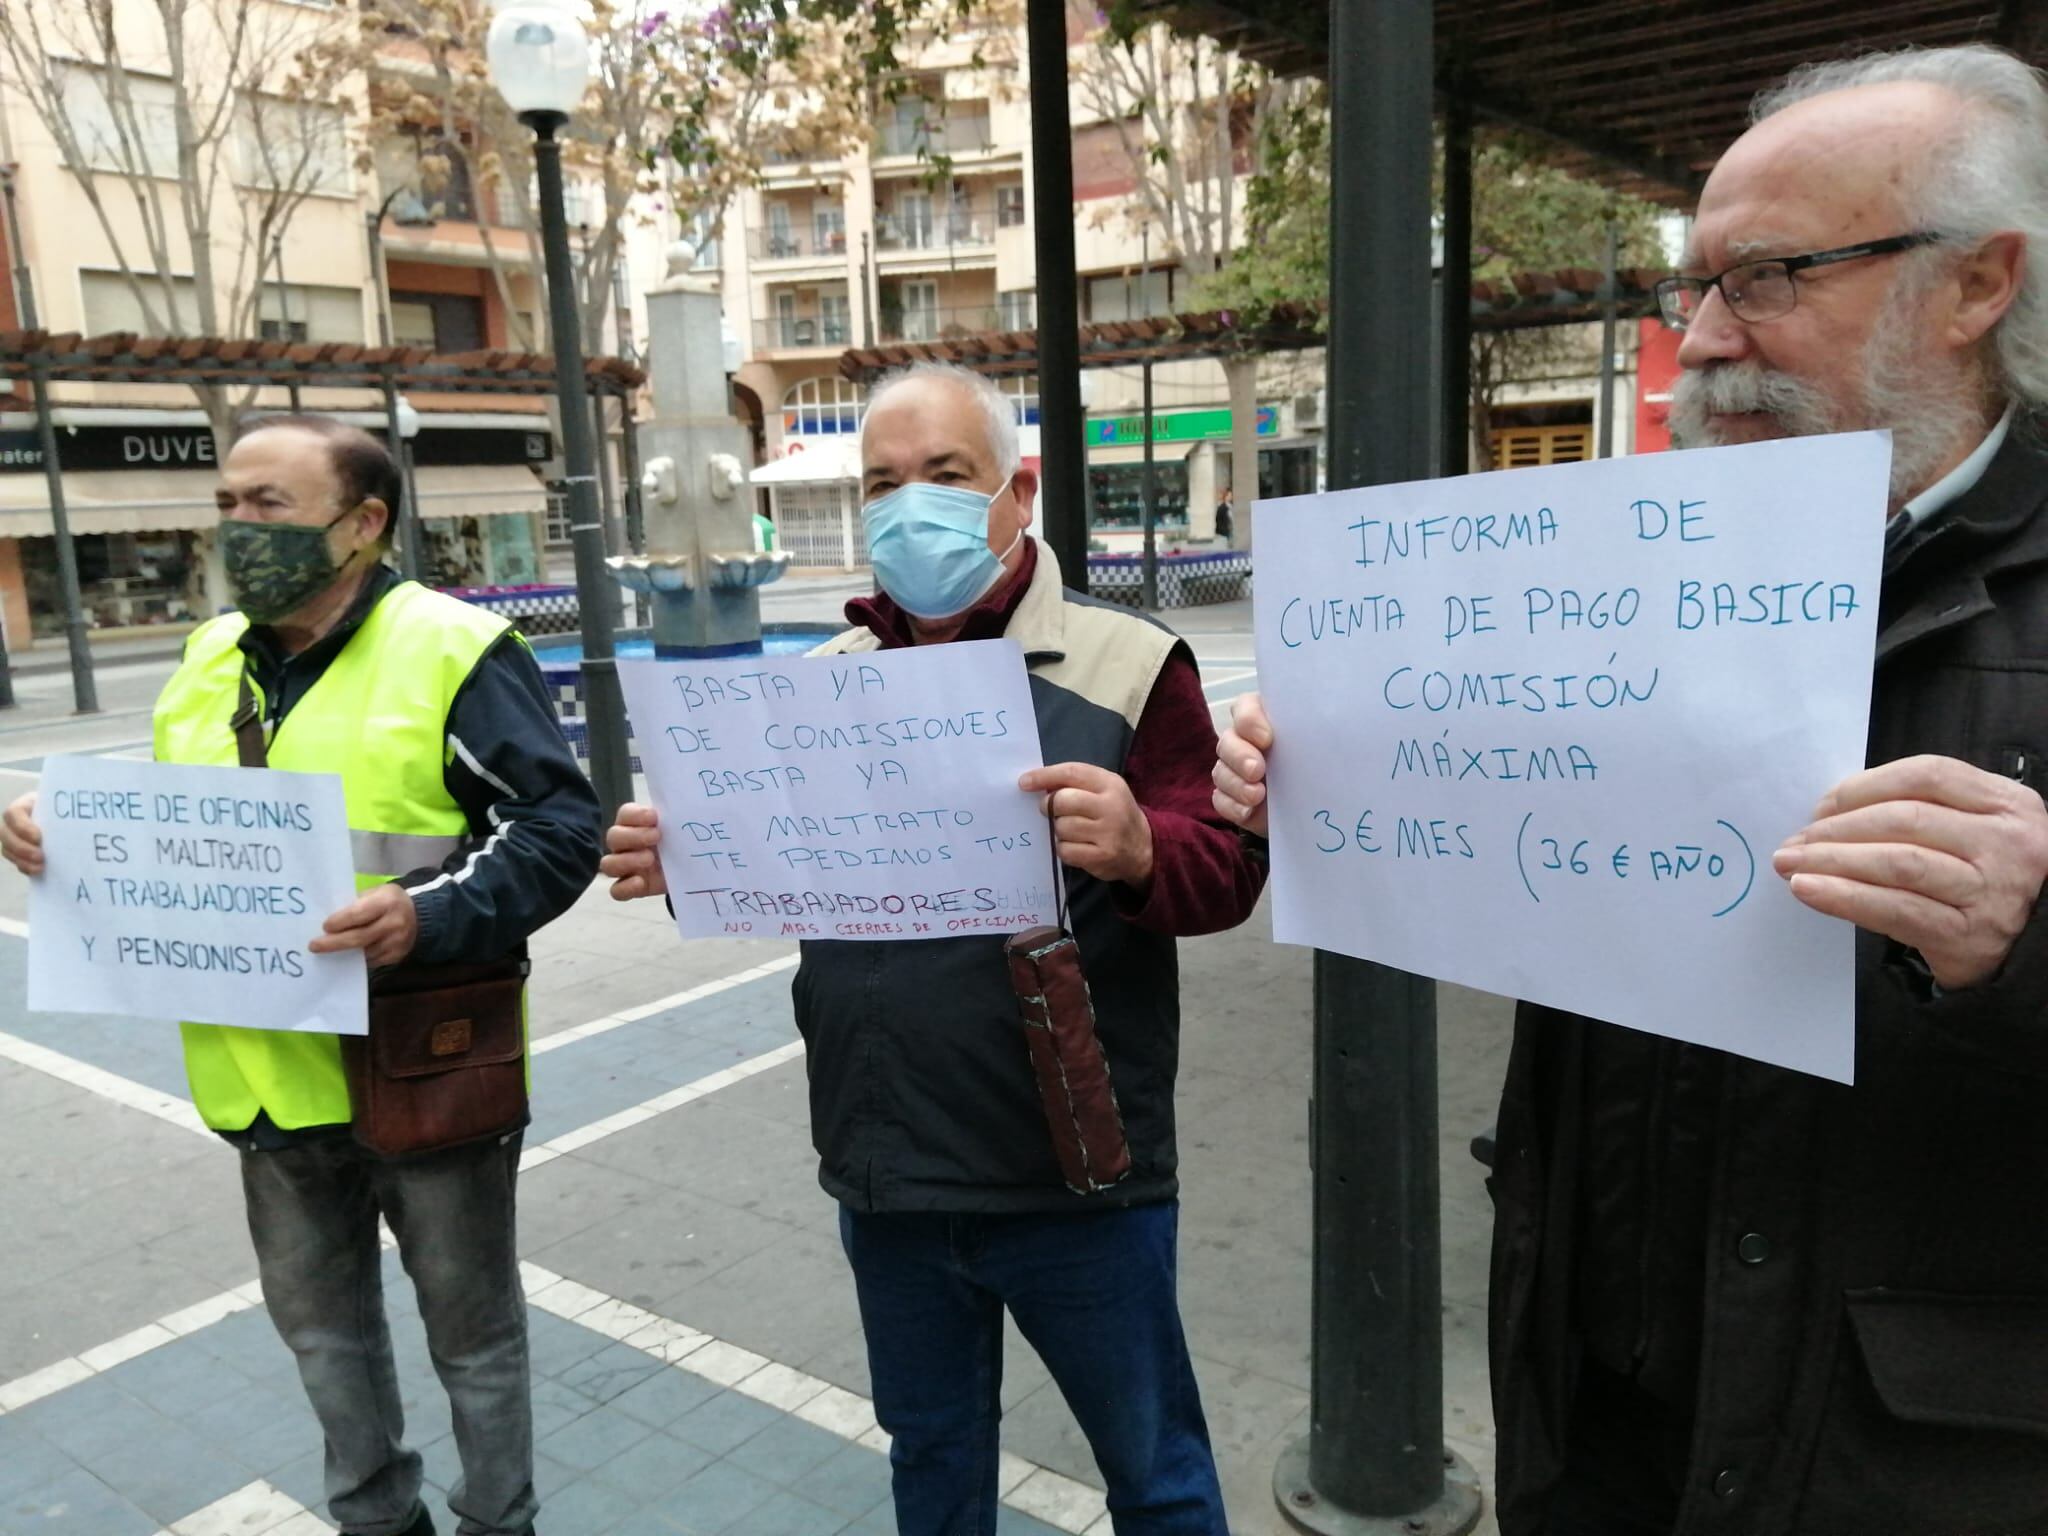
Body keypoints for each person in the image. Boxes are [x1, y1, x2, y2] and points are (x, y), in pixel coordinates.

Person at [1212, 45, 2048, 1536]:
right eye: (1699, 288)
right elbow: (1521, 856)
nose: (1709, 339)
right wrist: (1331, 781)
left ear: (1978, 285)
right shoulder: (1615, 567)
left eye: (1773, 276)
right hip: (1587, 1409)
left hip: (1901, 1462)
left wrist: (2027, 938)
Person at [602, 363, 1267, 1535]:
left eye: (944, 476)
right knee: (931, 1458)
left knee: (1154, 1476)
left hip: (1076, 1178)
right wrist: (688, 862)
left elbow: (1224, 869)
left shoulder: (1131, 664)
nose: (911, 506)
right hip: (887, 1168)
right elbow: (779, 873)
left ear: (1014, 493)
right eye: (883, 483)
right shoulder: (821, 688)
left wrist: (1139, 845)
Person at [4, 415, 602, 1536]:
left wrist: (427, 914)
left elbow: (558, 828)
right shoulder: (208, 653)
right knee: (321, 1335)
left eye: (268, 505)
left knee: (470, 1335)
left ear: (363, 523)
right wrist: (57, 828)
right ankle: (376, 1520)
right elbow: (179, 822)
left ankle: (497, 1522)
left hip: (422, 1065)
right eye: (228, 505)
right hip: (263, 1075)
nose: (238, 528)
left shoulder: (452, 648)